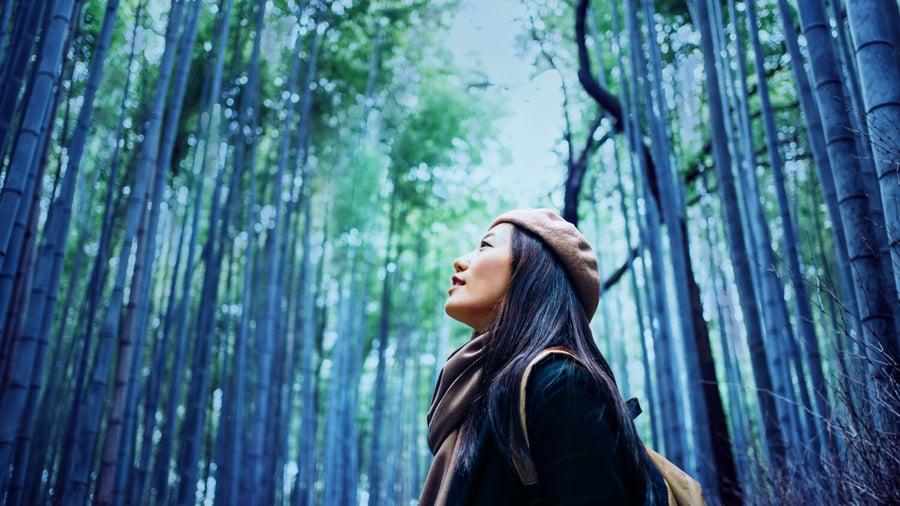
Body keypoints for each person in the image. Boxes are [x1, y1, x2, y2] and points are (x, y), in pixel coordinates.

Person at [420, 208, 670, 505]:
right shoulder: (474, 398)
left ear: (530, 270)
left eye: (485, 246)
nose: (461, 261)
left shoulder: (559, 384)